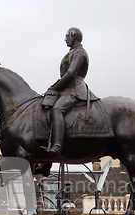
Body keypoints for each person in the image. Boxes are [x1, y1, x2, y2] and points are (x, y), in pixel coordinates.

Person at [42, 27, 90, 157]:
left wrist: (56, 87)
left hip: (74, 89)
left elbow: (71, 73)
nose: (65, 39)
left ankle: (57, 146)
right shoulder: (72, 52)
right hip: (66, 89)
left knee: (57, 110)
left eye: (67, 36)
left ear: (74, 36)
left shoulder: (79, 52)